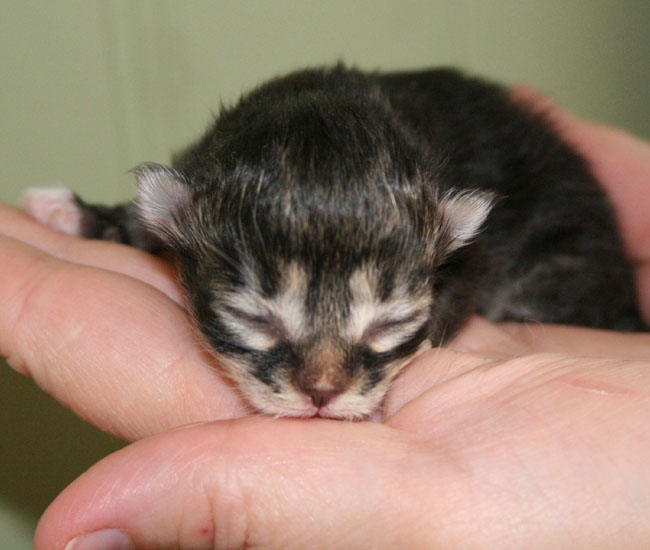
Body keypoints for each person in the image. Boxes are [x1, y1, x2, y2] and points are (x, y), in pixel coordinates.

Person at [2, 90, 649, 550]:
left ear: (448, 245)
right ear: (175, 223)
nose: (325, 381)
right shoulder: (202, 202)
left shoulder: (445, 232)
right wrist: (113, 223)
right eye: (261, 320)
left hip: (552, 235)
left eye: (382, 327)